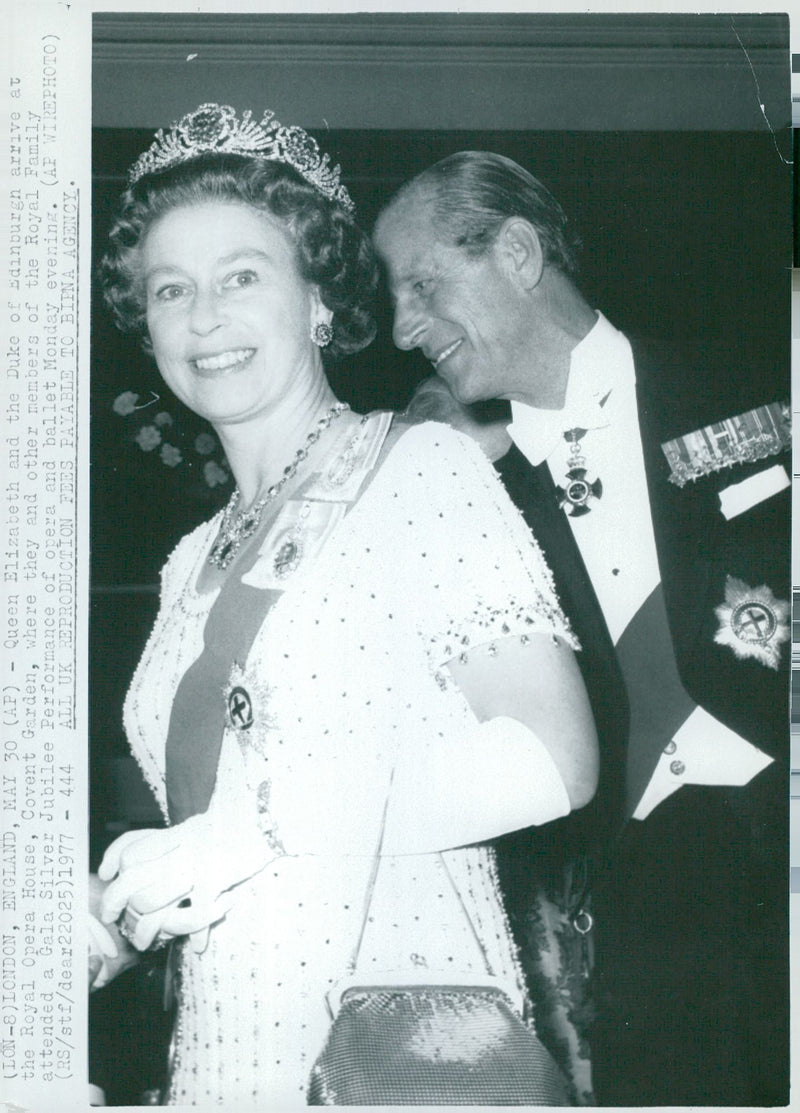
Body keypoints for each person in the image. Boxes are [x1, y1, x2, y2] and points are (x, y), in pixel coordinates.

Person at [90, 106, 600, 1107]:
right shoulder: (189, 560)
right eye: (168, 290)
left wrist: (270, 825)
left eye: (241, 276)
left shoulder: (417, 470)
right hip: (225, 1059)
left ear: (318, 297)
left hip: (401, 1056)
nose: (202, 317)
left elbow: (554, 760)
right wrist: (114, 911)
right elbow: (215, 850)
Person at [373, 150, 790, 1106]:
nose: (401, 326)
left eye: (424, 283)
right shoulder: (465, 490)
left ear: (517, 252)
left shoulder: (751, 378)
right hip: (640, 897)